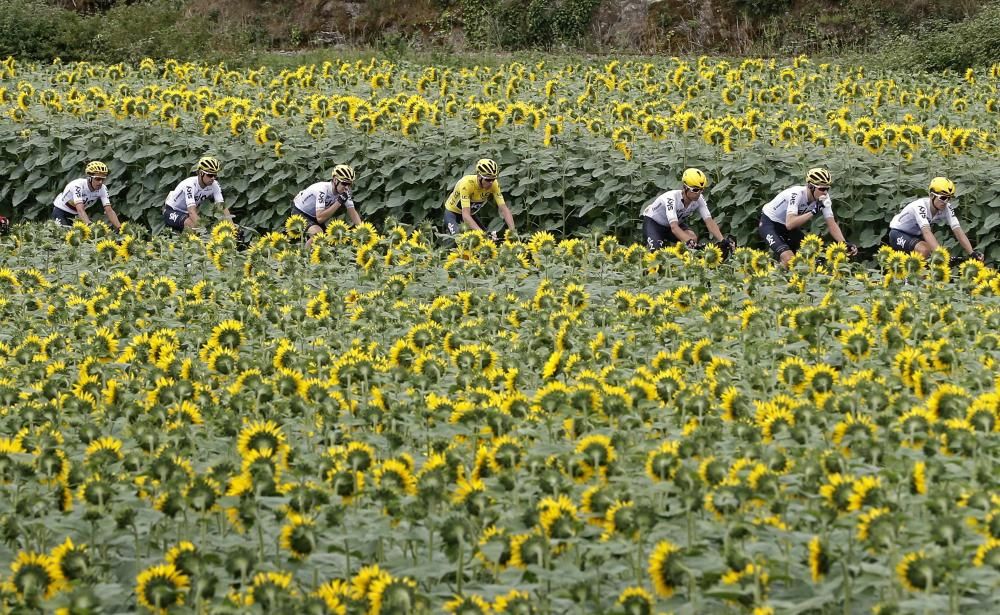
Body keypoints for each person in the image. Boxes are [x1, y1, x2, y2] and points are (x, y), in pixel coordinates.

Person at [758, 167, 857, 266]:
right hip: (769, 223)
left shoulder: (824, 198)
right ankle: (771, 277)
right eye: (822, 188)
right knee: (789, 259)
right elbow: (790, 224)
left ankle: (781, 273)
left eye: (827, 188)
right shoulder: (796, 194)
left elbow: (831, 224)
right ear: (810, 186)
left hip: (787, 227)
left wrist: (844, 243)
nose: (825, 192)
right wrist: (813, 211)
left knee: (812, 259)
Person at [888, 177, 983, 261]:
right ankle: (912, 280)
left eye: (949, 198)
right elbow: (926, 232)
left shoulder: (947, 208)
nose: (946, 202)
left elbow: (958, 231)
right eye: (943, 197)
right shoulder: (919, 207)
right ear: (931, 196)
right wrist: (941, 255)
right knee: (924, 250)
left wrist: (972, 253)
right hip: (898, 232)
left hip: (916, 235)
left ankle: (920, 279)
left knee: (934, 253)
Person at [641, 168, 731, 252]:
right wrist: (689, 242)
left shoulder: (699, 199)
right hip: (654, 223)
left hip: (671, 225)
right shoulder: (671, 199)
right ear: (685, 187)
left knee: (692, 238)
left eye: (702, 190)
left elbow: (709, 222)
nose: (699, 193)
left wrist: (722, 240)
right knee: (656, 252)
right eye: (695, 190)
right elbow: (674, 227)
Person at [443, 158, 516, 239]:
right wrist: (481, 234)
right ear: (479, 176)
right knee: (459, 239)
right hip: (453, 213)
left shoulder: (494, 184)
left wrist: (513, 231)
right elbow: (465, 215)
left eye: (493, 179)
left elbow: (504, 209)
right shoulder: (467, 184)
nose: (491, 183)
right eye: (488, 179)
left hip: (470, 214)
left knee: (487, 240)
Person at [290, 164, 362, 241]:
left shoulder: (344, 191)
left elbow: (352, 212)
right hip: (300, 211)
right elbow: (320, 218)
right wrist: (338, 202)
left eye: (349, 184)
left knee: (329, 239)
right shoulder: (322, 190)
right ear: (335, 180)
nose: (347, 187)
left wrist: (362, 230)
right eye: (344, 183)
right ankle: (304, 253)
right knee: (317, 234)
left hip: (314, 215)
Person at [163, 156, 232, 232]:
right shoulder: (190, 185)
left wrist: (232, 227)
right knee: (193, 225)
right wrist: (205, 231)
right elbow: (192, 212)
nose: (213, 178)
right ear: (200, 173)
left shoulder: (215, 185)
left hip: (187, 212)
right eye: (209, 175)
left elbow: (222, 207)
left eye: (215, 175)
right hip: (173, 210)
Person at [52, 161, 122, 230]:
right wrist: (89, 224)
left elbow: (109, 210)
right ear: (90, 178)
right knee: (63, 234)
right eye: (98, 179)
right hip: (61, 210)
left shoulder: (103, 188)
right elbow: (80, 209)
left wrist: (120, 228)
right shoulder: (77, 185)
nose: (100, 182)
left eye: (103, 179)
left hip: (75, 214)